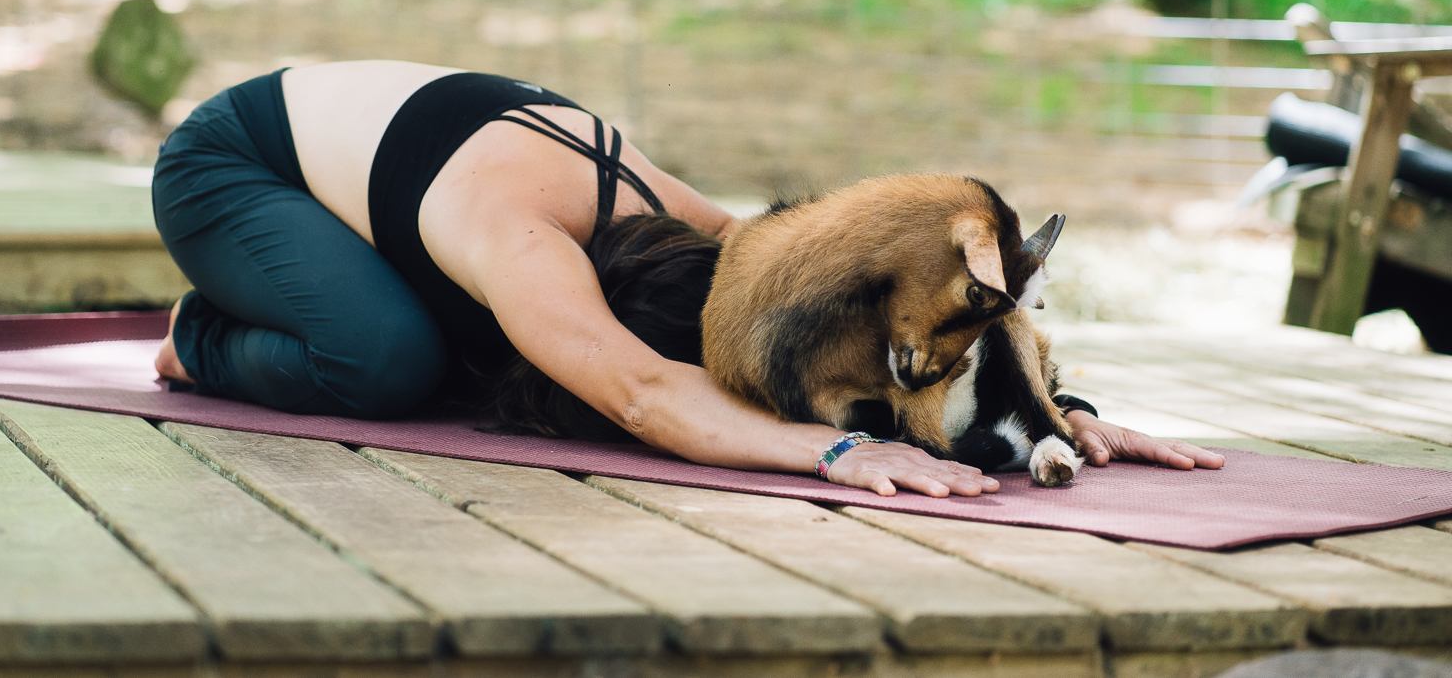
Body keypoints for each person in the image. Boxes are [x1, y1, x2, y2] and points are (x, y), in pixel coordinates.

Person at [151, 60, 1224, 498]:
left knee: (465, 349)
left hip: (397, 190)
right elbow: (640, 391)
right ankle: (206, 331)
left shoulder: (709, 233)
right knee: (388, 361)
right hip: (231, 165)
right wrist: (838, 451)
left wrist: (1059, 408)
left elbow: (837, 309)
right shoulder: (521, 245)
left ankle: (313, 292)